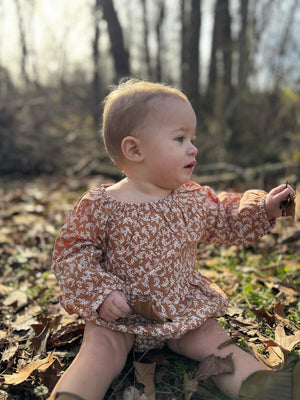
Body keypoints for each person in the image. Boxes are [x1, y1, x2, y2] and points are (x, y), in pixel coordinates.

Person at [47, 79, 298, 400]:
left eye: (192, 139)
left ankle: (262, 386)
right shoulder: (101, 205)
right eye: (180, 138)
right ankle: (74, 395)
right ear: (134, 149)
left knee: (213, 340)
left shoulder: (190, 199)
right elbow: (72, 255)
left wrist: (262, 209)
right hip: (118, 317)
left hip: (180, 308)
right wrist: (100, 292)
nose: (192, 148)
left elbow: (224, 215)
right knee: (99, 351)